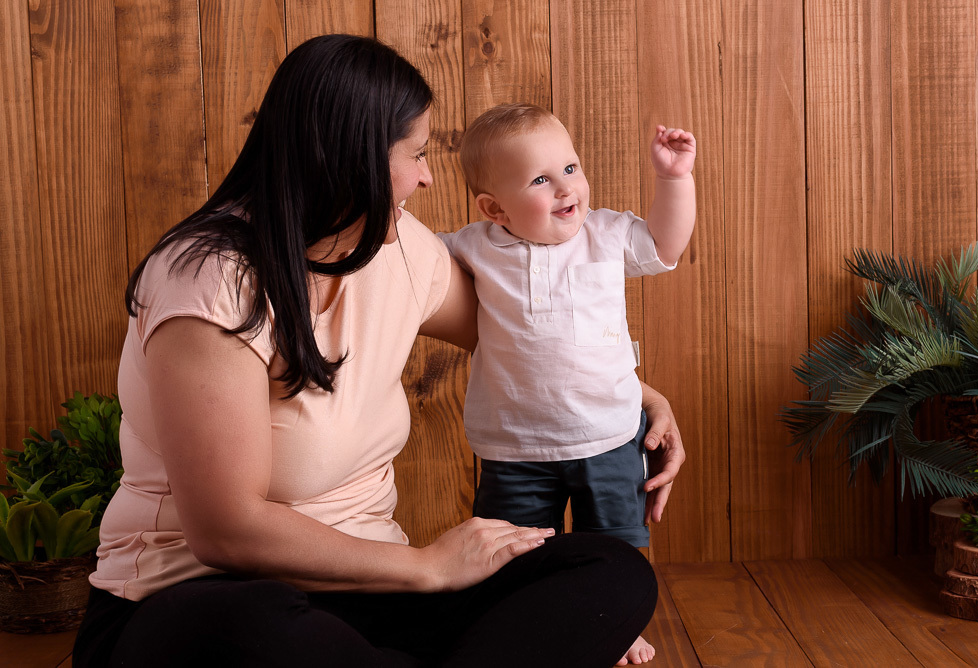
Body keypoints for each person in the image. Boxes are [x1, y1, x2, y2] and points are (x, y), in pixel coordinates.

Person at [71, 35, 686, 668]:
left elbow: (533, 340)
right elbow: (226, 530)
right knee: (255, 625)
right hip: (199, 601)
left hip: (378, 601)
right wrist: (424, 566)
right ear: (352, 155)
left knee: (611, 570)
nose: (426, 174)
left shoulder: (400, 249)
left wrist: (637, 398)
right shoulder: (210, 278)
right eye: (417, 153)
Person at [439, 103, 696, 665]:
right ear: (494, 208)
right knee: (518, 552)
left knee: (616, 546)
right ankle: (527, 626)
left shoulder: (604, 234)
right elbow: (405, 252)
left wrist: (673, 179)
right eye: (540, 179)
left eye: (570, 168)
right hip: (513, 447)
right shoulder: (476, 246)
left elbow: (666, 246)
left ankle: (619, 625)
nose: (565, 188)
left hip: (608, 435)